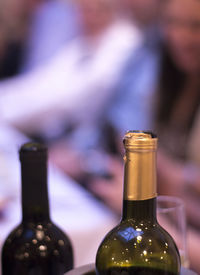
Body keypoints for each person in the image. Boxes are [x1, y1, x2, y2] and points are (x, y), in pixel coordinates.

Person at [88, 0, 200, 272]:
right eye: (173, 22)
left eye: (195, 26)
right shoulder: (174, 78)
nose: (180, 36)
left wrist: (144, 212)